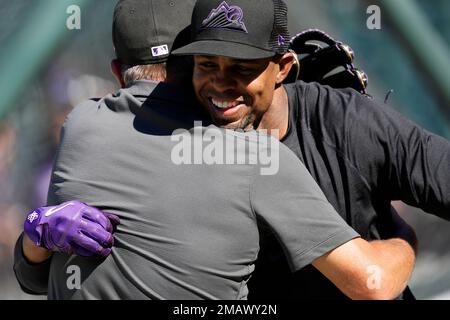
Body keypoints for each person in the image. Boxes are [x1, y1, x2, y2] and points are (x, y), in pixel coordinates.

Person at [13, 0, 417, 300]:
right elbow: (372, 285)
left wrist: (36, 233)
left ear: (117, 73)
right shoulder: (254, 157)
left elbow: (32, 279)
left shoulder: (80, 126)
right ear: (199, 65)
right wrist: (401, 237)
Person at [172, 0, 450, 299]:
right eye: (207, 64)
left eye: (242, 67)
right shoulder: (180, 139)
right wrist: (402, 242)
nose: (221, 83)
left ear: (282, 68)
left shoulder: (343, 123)